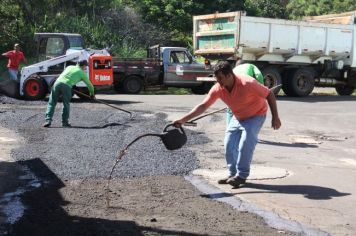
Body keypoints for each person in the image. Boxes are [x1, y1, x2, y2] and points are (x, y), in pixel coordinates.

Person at [173, 61, 281, 188]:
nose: (218, 81)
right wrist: (183, 120)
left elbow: (269, 94)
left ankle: (241, 176)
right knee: (229, 144)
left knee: (245, 143)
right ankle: (232, 174)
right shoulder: (218, 88)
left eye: (220, 78)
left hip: (256, 115)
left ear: (229, 75)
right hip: (238, 117)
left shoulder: (248, 83)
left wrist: (275, 117)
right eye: (216, 78)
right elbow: (203, 106)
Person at [43, 60, 94, 128]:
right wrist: (92, 94)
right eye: (85, 66)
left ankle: (48, 120)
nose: (85, 68)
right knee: (66, 104)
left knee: (52, 102)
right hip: (67, 86)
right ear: (83, 66)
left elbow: (65, 75)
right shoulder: (81, 73)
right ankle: (65, 123)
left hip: (57, 83)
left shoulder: (69, 67)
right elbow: (90, 85)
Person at [226, 60, 264, 126]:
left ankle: (229, 129)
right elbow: (258, 75)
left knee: (230, 110)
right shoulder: (251, 66)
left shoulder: (233, 70)